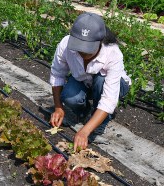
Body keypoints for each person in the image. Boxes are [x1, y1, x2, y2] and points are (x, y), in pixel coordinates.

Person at [49, 12, 131, 150]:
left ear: (100, 41)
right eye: (79, 48)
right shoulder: (65, 44)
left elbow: (109, 99)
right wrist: (58, 107)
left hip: (114, 85)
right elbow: (57, 74)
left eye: (87, 50)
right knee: (69, 96)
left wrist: (85, 131)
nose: (82, 53)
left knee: (101, 80)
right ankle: (85, 112)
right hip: (84, 81)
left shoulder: (113, 53)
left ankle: (100, 123)